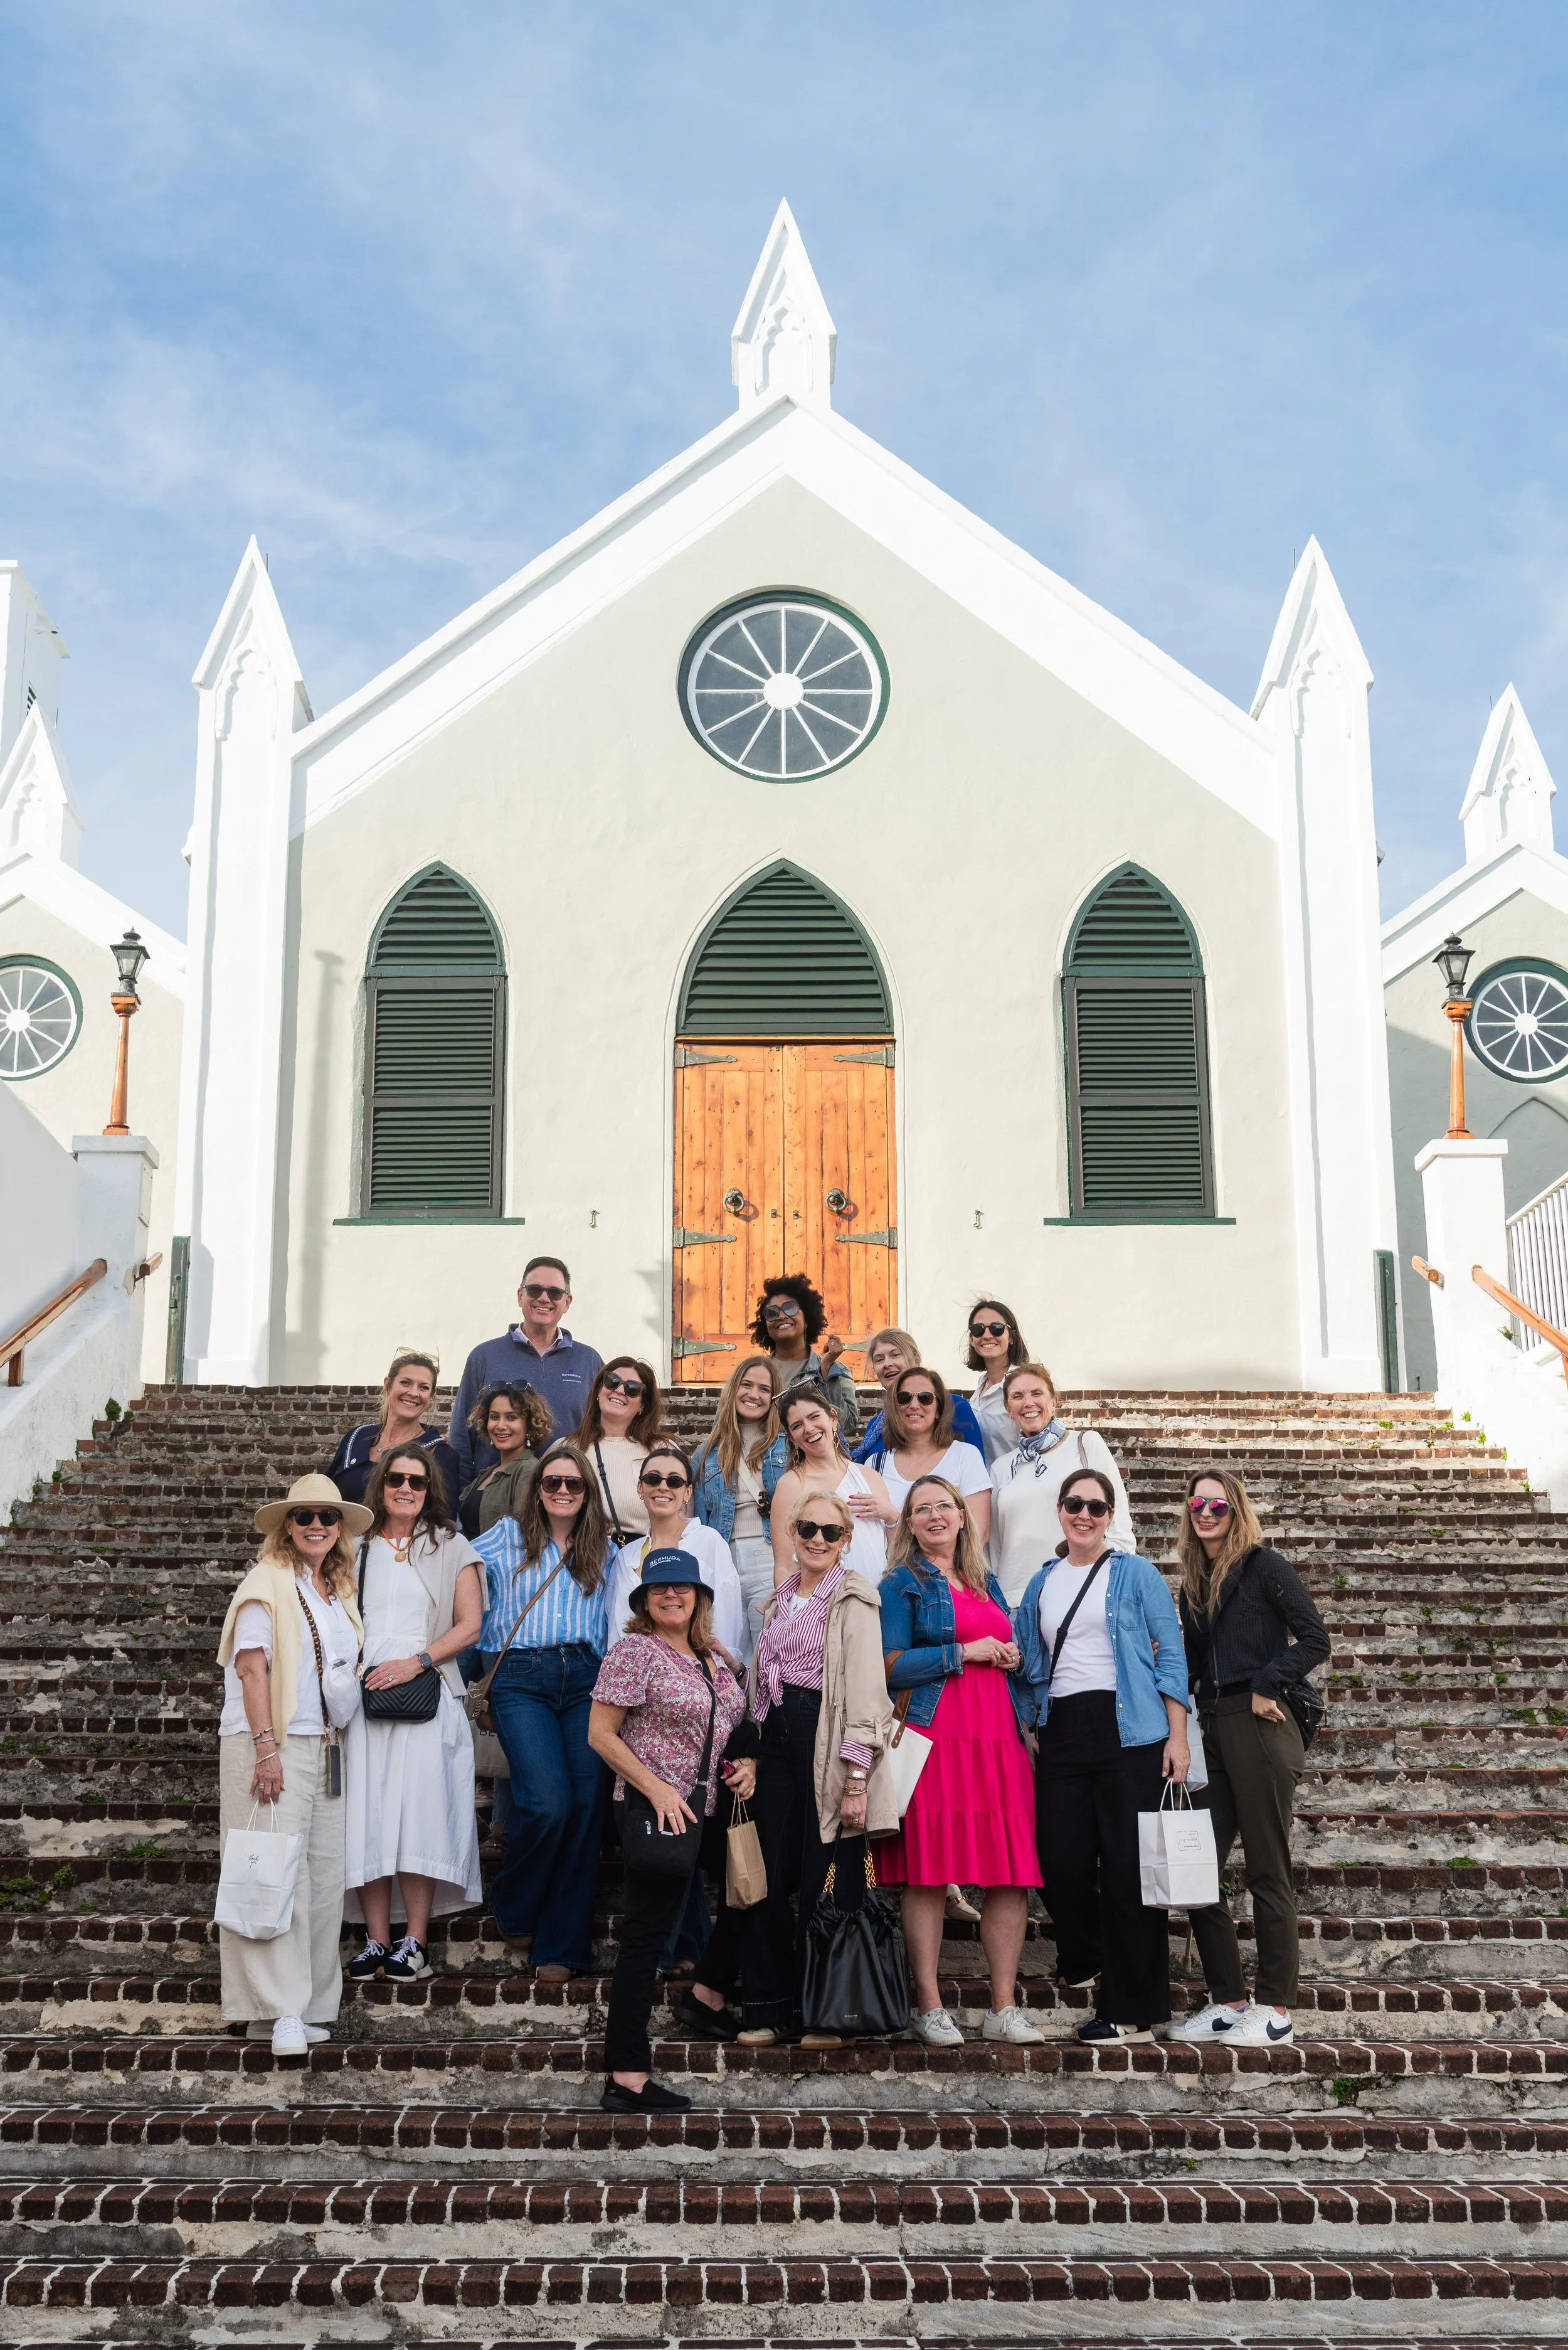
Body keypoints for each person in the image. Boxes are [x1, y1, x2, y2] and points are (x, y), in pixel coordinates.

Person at [1014, 1467, 1190, 2044]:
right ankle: (1086, 1950)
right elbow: (1028, 1661)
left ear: (1111, 1516)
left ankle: (1129, 2010)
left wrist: (1177, 1736)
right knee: (1057, 1861)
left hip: (1129, 1731)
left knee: (1126, 1873)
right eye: (1074, 1505)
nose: (1084, 1515)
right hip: (1063, 1731)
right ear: (1060, 1511)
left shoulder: (1135, 1574)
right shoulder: (1042, 1582)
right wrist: (1032, 1721)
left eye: (1096, 1506)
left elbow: (1171, 1660)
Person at [875, 1476, 1044, 2048]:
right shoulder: (902, 1583)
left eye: (943, 1505)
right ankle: (929, 2006)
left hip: (998, 1737)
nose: (934, 1516)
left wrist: (1011, 1656)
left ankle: (1003, 2007)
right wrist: (963, 1652)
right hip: (936, 1738)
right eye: (920, 1510)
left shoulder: (985, 1580)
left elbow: (1004, 1649)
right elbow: (891, 1665)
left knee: (1010, 1874)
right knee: (927, 1873)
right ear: (909, 1524)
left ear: (962, 1515)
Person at [1169, 1468, 1330, 2052]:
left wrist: (1269, 1681)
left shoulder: (1265, 1567)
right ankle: (1230, 2000)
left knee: (1267, 1868)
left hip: (1261, 1724)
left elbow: (1316, 1640)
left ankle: (1276, 2008)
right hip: (1211, 1726)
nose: (1206, 1512)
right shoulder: (1192, 1580)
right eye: (1197, 1503)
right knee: (1196, 1870)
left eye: (1218, 1503)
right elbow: (1188, 1665)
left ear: (1236, 1510)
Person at [588, 1549, 755, 2111]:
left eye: (683, 1587)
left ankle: (707, 1992)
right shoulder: (635, 1651)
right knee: (644, 1939)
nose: (672, 1595)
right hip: (657, 1809)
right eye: (659, 1589)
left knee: (755, 1893)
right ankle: (627, 2077)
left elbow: (733, 1724)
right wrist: (657, 1788)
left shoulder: (713, 1656)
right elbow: (601, 1735)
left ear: (701, 1597)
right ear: (643, 1601)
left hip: (711, 1810)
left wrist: (746, 1764)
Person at [737, 1489, 895, 2048]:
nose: (817, 1540)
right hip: (776, 1742)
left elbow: (865, 1694)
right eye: (807, 1528)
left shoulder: (854, 1597)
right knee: (768, 1875)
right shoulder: (781, 1597)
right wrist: (751, 1747)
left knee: (824, 1874)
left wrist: (857, 1779)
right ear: (792, 1532)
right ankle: (772, 2006)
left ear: (847, 1539)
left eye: (831, 1532)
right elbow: (762, 1680)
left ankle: (826, 2013)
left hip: (826, 1737)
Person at [216, 1474, 366, 2057]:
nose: (316, 1526)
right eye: (304, 1516)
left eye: (327, 1517)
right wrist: (266, 1747)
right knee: (274, 1873)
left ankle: (306, 2006)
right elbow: (253, 1668)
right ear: (287, 1525)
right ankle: (279, 2011)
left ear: (339, 1529)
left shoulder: (335, 1591)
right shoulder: (267, 1581)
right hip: (272, 1743)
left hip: (326, 1746)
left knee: (323, 1879)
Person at [341, 1446, 487, 1983]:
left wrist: (416, 1662)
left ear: (431, 1491)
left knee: (419, 1817)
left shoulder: (451, 1545)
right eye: (397, 1479)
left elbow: (470, 1625)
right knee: (369, 1816)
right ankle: (376, 1940)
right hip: (362, 1697)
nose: (406, 1488)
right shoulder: (352, 1546)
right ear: (380, 1484)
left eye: (418, 1482)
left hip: (426, 1691)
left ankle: (415, 1942)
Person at [471, 1441, 613, 1979]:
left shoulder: (604, 1548)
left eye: (573, 1484)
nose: (561, 1491)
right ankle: (514, 1897)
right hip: (522, 1679)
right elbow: (454, 1566)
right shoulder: (507, 1537)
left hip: (587, 1680)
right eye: (551, 1482)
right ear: (537, 1489)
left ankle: (562, 1944)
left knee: (583, 1807)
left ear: (586, 1493)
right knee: (548, 1803)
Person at [447, 1257, 604, 1487]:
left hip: (568, 1496)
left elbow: (604, 1433)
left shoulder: (589, 1361)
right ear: (520, 1296)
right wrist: (460, 1500)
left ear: (567, 1302)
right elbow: (462, 1437)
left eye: (555, 1292)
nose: (544, 1298)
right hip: (495, 1500)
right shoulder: (484, 1357)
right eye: (534, 1290)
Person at [990, 1363, 1135, 1606]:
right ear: (1008, 1408)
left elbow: (1118, 1520)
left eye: (1037, 1393)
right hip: (1015, 1600)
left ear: (1054, 1402)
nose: (1028, 1402)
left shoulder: (1085, 1444)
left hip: (1078, 1592)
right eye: (1018, 1396)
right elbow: (994, 1544)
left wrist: (1119, 1585)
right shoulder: (1001, 1467)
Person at [602, 1442, 748, 1664]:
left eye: (674, 1481)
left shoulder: (709, 1542)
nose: (663, 1487)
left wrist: (720, 1676)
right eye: (653, 1479)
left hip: (697, 1677)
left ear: (687, 1491)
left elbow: (727, 1619)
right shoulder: (626, 1555)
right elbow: (617, 1626)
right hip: (639, 1677)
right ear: (640, 1487)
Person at [691, 1355, 790, 1647]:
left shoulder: (789, 1443)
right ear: (733, 1389)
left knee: (769, 1651)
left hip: (771, 1553)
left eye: (764, 1389)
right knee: (726, 1650)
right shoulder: (706, 1453)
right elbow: (699, 1520)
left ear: (775, 1397)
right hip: (724, 1557)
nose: (754, 1395)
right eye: (747, 1385)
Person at [770, 1386, 896, 1589]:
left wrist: (892, 1516)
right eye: (798, 1425)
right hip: (822, 1610)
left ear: (833, 1418)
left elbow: (893, 1552)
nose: (809, 1428)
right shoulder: (792, 1485)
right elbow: (785, 1566)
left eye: (814, 1417)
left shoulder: (870, 1477)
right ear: (792, 1438)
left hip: (877, 1603)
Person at [866, 1366, 992, 1548]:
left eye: (925, 1398)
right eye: (905, 1398)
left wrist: (895, 1520)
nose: (914, 1405)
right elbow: (870, 1535)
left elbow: (979, 1534)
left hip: (947, 1574)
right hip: (889, 1574)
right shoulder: (876, 1465)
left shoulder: (964, 1456)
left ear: (939, 1410)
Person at [327, 1351, 459, 1513]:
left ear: (431, 1397)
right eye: (406, 1383)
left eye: (424, 1387)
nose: (413, 1393)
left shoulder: (440, 1454)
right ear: (388, 1385)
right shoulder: (356, 1438)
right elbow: (326, 1497)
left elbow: (443, 1523)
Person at [751, 1274, 859, 1443]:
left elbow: (845, 1426)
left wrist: (825, 1372)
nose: (781, 1316)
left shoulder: (837, 1371)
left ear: (807, 1318)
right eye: (772, 1313)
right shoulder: (753, 1374)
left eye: (790, 1308)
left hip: (813, 1464)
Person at [854, 1329, 983, 1464]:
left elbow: (976, 1471)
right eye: (879, 1359)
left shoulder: (953, 1407)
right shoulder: (875, 1427)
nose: (887, 1364)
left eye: (895, 1355)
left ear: (917, 1360)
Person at [573, 1356, 664, 1545]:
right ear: (599, 1390)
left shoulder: (662, 1451)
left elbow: (682, 1516)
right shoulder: (567, 1448)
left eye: (633, 1389)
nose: (620, 1390)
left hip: (641, 1562)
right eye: (612, 1381)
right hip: (581, 1559)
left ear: (642, 1405)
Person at [457, 1382, 554, 1537]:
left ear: (530, 1425)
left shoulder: (529, 1471)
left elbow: (524, 1540)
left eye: (511, 1417)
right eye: (494, 1417)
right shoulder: (488, 1472)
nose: (501, 1426)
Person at [965, 1300, 1031, 1467]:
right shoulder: (979, 1389)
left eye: (997, 1328)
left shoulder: (1025, 1386)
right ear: (972, 1339)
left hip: (1016, 1485)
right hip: (984, 1488)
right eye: (978, 1329)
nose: (987, 1335)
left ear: (1012, 1337)